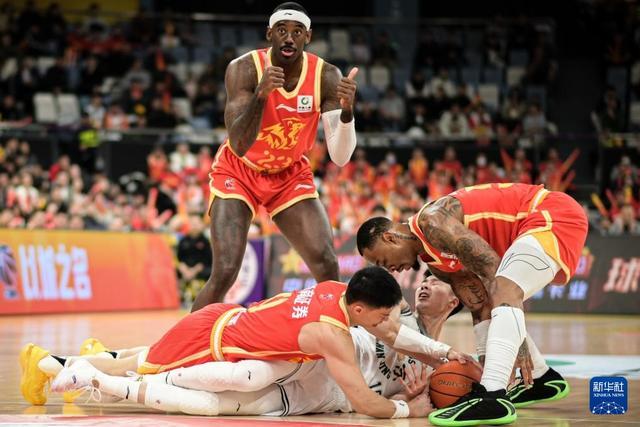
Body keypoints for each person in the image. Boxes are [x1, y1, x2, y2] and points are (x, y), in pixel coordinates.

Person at [23, 267, 474, 419]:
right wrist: (409, 411)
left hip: (226, 324)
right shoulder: (331, 333)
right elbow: (363, 402)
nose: (386, 325)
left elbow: (391, 333)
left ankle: (93, 360)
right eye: (380, 316)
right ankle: (50, 363)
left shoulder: (339, 291)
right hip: (213, 340)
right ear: (359, 310)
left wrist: (441, 352)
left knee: (142, 357)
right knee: (145, 366)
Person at [356, 183, 588, 426]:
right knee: (495, 297)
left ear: (390, 237)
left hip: (549, 213)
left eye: (383, 260)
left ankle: (492, 398)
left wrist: (518, 348)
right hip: (525, 233)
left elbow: (493, 272)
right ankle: (541, 379)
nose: (390, 269)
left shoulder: (432, 222)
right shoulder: (434, 262)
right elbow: (480, 306)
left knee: (503, 287)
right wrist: (484, 370)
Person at [196, 2, 358, 309]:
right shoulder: (244, 69)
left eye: (297, 32)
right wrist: (261, 95)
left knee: (327, 263)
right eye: (282, 30)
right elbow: (239, 144)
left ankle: (334, 333)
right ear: (270, 34)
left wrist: (348, 113)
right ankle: (188, 337)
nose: (289, 38)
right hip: (240, 170)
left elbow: (340, 157)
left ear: (308, 37)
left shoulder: (326, 76)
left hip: (288, 173)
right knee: (225, 271)